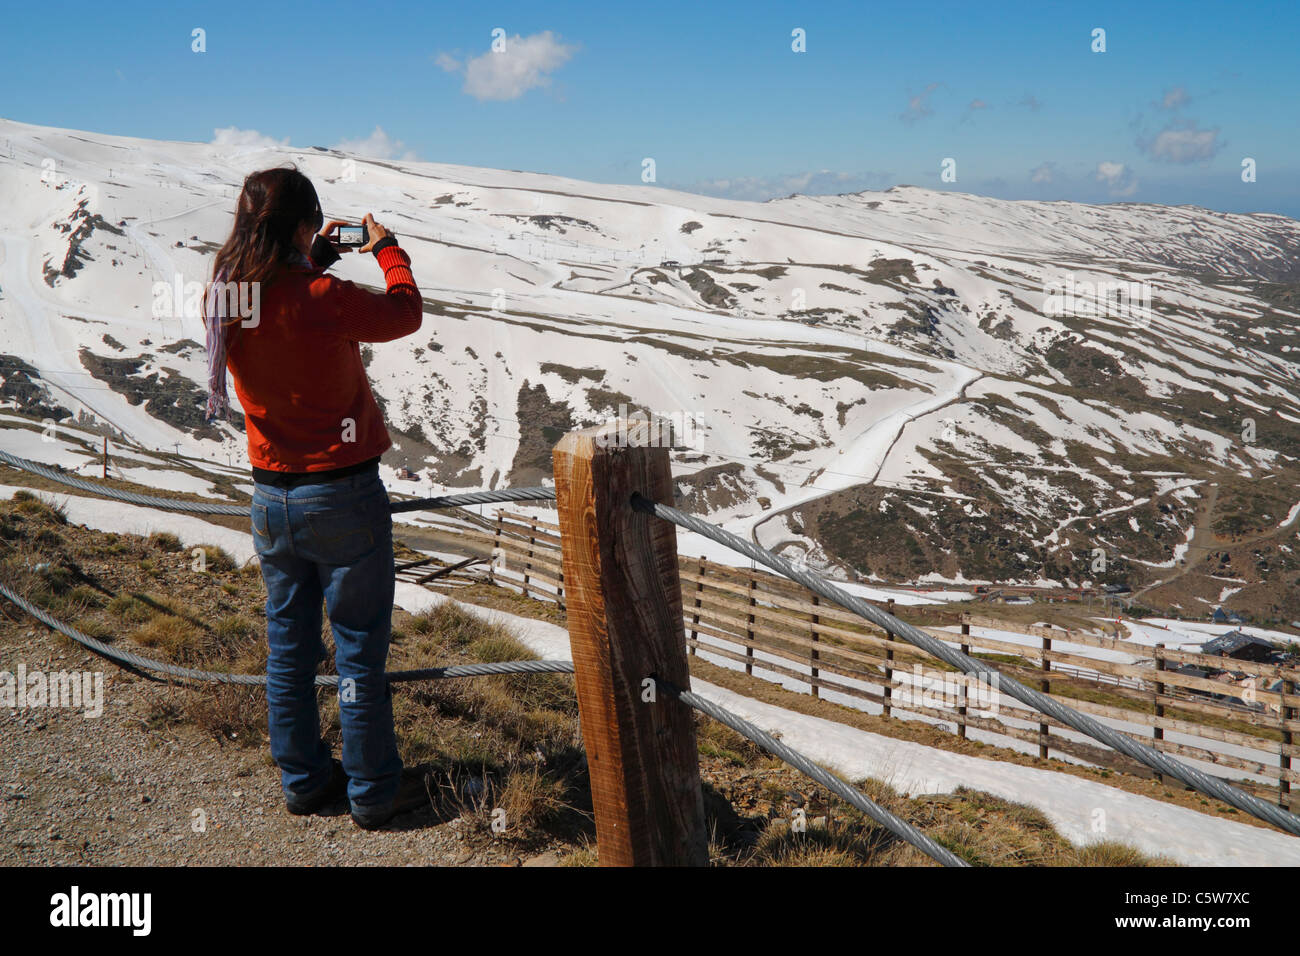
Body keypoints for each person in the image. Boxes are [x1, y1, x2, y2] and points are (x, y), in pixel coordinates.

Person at [204, 166, 426, 829]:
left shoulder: (227, 298)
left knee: (289, 646)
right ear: (303, 225)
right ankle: (372, 794)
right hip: (342, 493)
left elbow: (281, 293)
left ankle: (303, 781)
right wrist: (387, 248)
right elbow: (404, 313)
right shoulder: (326, 295)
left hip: (271, 496)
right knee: (357, 646)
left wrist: (315, 251)